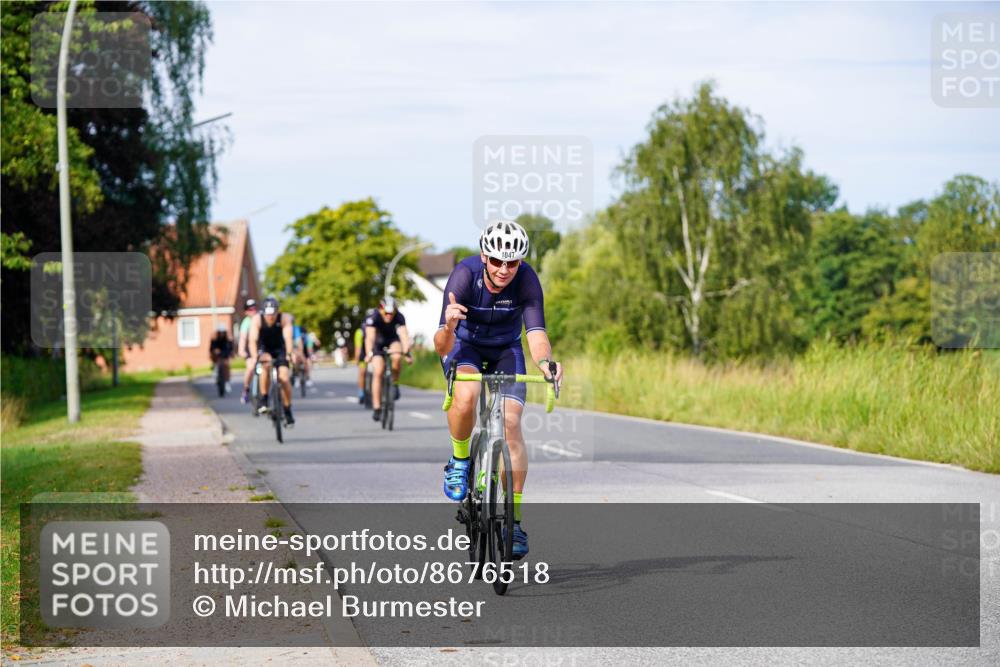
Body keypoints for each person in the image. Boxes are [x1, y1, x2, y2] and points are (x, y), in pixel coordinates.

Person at [434, 219, 563, 559]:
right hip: (465, 347)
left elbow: (536, 333)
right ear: (484, 257)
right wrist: (449, 326)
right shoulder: (464, 275)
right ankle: (460, 460)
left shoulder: (527, 279)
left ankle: (514, 522)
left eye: (512, 262)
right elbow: (441, 345)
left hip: (506, 350)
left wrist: (546, 362)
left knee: (510, 423)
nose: (504, 269)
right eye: (496, 261)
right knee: (467, 395)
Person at [248, 297, 296, 426]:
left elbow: (288, 338)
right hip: (264, 349)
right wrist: (254, 356)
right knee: (265, 365)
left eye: (273, 314)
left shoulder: (284, 318)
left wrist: (289, 354)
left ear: (277, 312)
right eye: (268, 314)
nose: (270, 317)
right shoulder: (257, 320)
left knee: (284, 378)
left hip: (280, 349)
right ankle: (264, 399)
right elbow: (252, 340)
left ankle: (287, 409)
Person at [364, 297, 412, 422]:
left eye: (391, 313)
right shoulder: (373, 317)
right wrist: (369, 353)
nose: (389, 316)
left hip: (392, 340)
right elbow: (370, 337)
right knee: (378, 371)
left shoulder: (399, 316)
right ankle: (377, 407)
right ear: (381, 310)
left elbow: (404, 335)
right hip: (377, 343)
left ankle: (395, 383)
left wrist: (407, 352)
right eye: (386, 313)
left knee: (397, 357)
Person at [237, 299, 258, 404]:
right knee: (250, 368)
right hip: (250, 350)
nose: (253, 311)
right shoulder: (246, 322)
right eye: (250, 309)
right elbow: (243, 338)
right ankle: (246, 389)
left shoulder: (260, 319)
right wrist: (241, 350)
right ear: (246, 312)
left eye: (254, 308)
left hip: (261, 349)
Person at [209, 325, 234, 392]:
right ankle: (215, 372)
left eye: (223, 332)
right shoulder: (215, 339)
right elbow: (211, 348)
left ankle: (227, 382)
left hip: (225, 355)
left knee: (227, 366)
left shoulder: (228, 339)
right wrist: (215, 351)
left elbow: (230, 349)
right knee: (217, 362)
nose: (222, 334)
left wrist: (229, 354)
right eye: (220, 332)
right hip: (217, 356)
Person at [353, 321, 368, 402]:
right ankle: (361, 392)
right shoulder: (360, 332)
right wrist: (357, 359)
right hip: (364, 352)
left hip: (375, 351)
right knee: (362, 372)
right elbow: (358, 347)